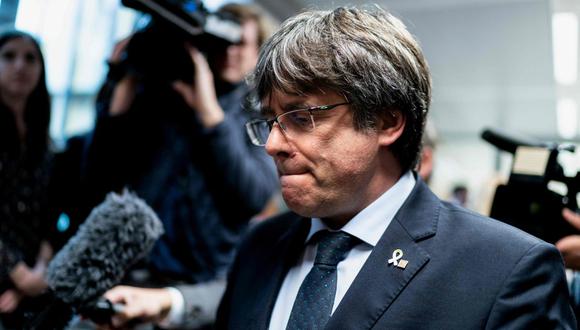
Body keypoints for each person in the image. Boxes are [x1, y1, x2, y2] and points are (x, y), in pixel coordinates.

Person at [215, 6, 576, 329]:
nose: (273, 145)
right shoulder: (257, 248)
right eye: (270, 121)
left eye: (300, 116)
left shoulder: (506, 270)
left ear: (387, 122)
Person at [88, 3, 278, 329]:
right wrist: (126, 78)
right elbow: (99, 171)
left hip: (200, 282)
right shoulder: (168, 95)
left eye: (241, 42)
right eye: (223, 42)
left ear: (259, 51)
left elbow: (254, 195)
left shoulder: (260, 114)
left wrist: (209, 114)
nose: (230, 51)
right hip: (134, 268)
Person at [0, 30, 55, 328]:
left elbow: (52, 212)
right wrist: (17, 273)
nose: (20, 65)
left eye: (30, 58)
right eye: (9, 56)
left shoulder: (45, 142)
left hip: (35, 278)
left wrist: (39, 271)